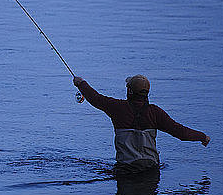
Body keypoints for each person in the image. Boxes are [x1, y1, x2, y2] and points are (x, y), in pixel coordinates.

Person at [73, 75, 210, 175]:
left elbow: (96, 98)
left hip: (125, 169)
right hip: (151, 169)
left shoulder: (118, 108)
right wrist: (202, 137)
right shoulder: (155, 112)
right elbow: (181, 133)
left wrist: (81, 83)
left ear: (130, 91)